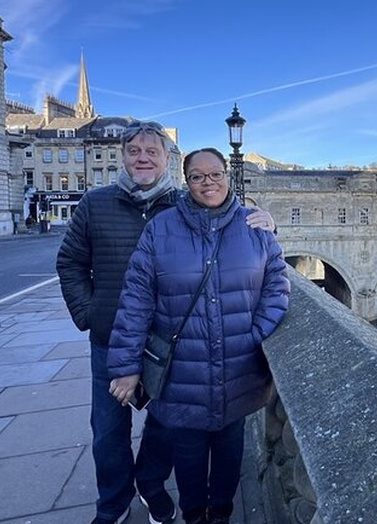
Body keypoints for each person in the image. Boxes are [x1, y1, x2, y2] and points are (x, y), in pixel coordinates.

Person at [56, 123, 277, 524]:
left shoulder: (184, 200)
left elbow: (230, 226)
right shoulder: (96, 202)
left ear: (167, 160)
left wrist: (267, 223)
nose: (143, 158)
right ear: (124, 155)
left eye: (152, 152)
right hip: (112, 338)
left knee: (165, 429)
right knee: (108, 432)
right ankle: (113, 504)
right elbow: (70, 262)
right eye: (135, 151)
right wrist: (90, 314)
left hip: (172, 343)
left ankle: (151, 488)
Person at [107, 147, 290, 524]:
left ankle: (221, 515)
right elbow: (136, 299)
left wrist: (255, 332)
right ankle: (194, 516)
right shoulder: (161, 229)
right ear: (185, 181)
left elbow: (278, 284)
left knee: (228, 454)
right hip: (181, 375)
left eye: (216, 174)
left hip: (238, 368)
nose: (209, 183)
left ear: (228, 174)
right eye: (198, 176)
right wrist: (125, 366)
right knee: (188, 458)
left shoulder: (255, 226)